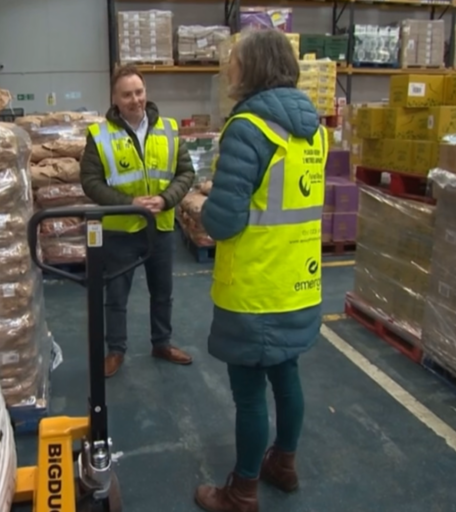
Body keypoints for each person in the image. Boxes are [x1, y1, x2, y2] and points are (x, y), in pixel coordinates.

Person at [194, 29, 327, 512]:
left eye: (234, 61)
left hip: (254, 287)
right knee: (287, 376)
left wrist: (205, 204)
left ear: (253, 68)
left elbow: (226, 223)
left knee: (249, 394)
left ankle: (242, 491)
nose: (229, 69)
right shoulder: (315, 129)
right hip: (300, 281)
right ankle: (283, 465)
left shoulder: (249, 128)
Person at [80, 64, 196, 378]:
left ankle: (162, 342)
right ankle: (115, 350)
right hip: (121, 229)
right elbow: (90, 181)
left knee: (163, 291)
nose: (135, 99)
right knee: (116, 294)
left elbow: (186, 172)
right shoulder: (100, 135)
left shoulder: (169, 129)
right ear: (114, 99)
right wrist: (128, 204)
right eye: (127, 94)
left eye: (139, 92)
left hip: (160, 228)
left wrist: (166, 199)